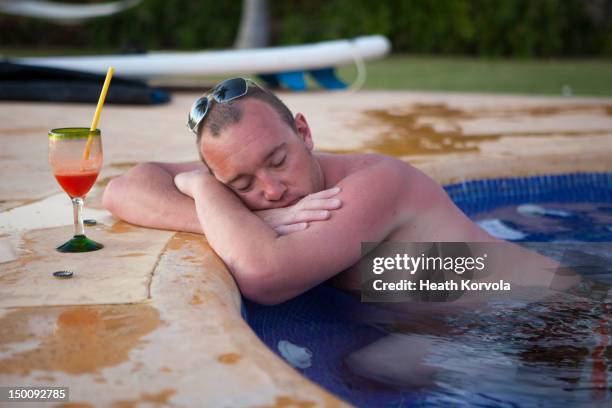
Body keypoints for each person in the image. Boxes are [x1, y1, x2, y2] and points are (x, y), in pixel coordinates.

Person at [102, 78, 579, 305]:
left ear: (304, 133)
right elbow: (121, 191)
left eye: (278, 160)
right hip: (466, 321)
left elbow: (267, 277)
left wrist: (208, 191)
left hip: (555, 312)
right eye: (242, 185)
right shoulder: (243, 179)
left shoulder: (372, 183)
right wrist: (223, 205)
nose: (271, 190)